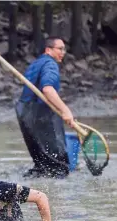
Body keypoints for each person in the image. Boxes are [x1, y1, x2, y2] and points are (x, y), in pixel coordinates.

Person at [15, 36, 74, 179]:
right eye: (60, 49)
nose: (63, 52)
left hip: (24, 114)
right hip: (41, 114)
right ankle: (55, 198)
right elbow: (47, 90)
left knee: (42, 165)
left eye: (64, 49)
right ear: (48, 50)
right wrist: (65, 110)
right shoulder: (50, 64)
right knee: (58, 168)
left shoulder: (35, 64)